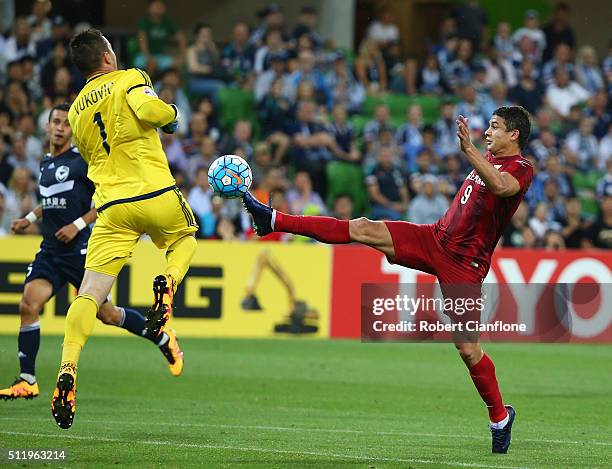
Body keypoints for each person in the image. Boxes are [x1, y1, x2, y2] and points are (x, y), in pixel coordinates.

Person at [243, 106, 534, 454]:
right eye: (487, 126)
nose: (488, 132)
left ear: (514, 134)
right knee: (363, 227)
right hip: (435, 238)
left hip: (465, 265)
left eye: (495, 127)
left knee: (468, 348)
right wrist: (474, 151)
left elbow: (502, 187)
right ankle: (273, 220)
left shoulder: (521, 168)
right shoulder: (487, 155)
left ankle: (500, 417)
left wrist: (469, 150)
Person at [50, 29, 198, 429]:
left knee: (89, 294)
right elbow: (151, 113)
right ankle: (167, 284)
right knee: (184, 239)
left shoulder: (77, 110)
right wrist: (173, 115)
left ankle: (67, 366)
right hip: (154, 191)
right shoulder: (131, 77)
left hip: (112, 208)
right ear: (107, 57)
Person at [0, 103, 183, 401]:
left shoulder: (83, 161)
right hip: (50, 249)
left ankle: (163, 337)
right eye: (55, 122)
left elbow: (105, 201)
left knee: (107, 315)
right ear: (46, 127)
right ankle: (27, 380)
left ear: (72, 130)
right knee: (28, 305)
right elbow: (49, 201)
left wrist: (77, 224)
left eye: (65, 123)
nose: (60, 127)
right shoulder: (46, 164)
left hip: (81, 249)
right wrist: (30, 219)